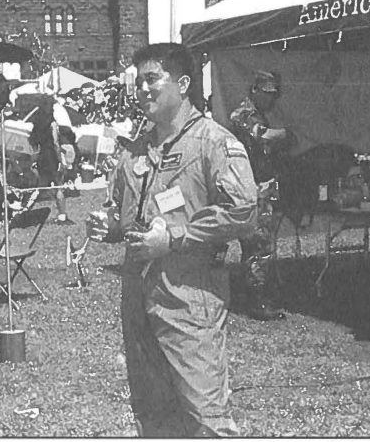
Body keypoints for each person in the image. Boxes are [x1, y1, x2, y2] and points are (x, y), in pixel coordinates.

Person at [87, 43, 258, 437]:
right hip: (140, 297)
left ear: (182, 84)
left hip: (188, 297)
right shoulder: (138, 147)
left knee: (205, 416)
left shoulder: (212, 141)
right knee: (153, 411)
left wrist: (177, 237)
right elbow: (127, 213)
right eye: (138, 81)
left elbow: (244, 210)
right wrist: (110, 224)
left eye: (152, 79)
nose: (142, 89)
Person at [227, 69, 293, 321]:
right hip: (249, 188)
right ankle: (256, 300)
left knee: (261, 244)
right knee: (258, 246)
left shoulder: (259, 114)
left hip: (260, 187)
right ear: (254, 90)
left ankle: (257, 294)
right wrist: (286, 134)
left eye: (273, 95)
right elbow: (262, 137)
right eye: (266, 94)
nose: (270, 99)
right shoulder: (243, 114)